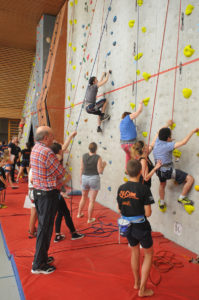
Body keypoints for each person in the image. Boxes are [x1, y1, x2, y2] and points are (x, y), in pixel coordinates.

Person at [30, 126, 66, 275]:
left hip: (39, 193)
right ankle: (38, 264)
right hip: (46, 195)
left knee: (44, 228)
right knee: (45, 229)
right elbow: (60, 173)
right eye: (51, 137)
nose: (54, 139)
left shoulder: (35, 148)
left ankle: (42, 257)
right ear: (45, 138)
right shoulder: (46, 152)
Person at [117, 159, 154, 297]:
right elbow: (148, 213)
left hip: (126, 227)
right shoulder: (144, 189)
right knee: (149, 254)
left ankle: (137, 282)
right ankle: (142, 290)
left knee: (134, 251)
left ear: (127, 172)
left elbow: (119, 209)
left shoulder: (121, 188)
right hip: (141, 227)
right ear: (140, 172)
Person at [153, 123, 199, 212]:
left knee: (162, 184)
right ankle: (182, 197)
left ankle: (161, 203)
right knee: (190, 179)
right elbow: (183, 142)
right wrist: (193, 131)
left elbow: (160, 131)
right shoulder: (168, 145)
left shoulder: (157, 142)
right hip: (167, 172)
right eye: (170, 136)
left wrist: (167, 124)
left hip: (158, 170)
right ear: (167, 138)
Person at [50, 134, 84, 242]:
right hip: (55, 192)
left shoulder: (51, 157)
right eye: (61, 150)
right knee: (66, 213)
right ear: (58, 152)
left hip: (53, 193)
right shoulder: (55, 160)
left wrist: (70, 137)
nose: (63, 151)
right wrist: (66, 179)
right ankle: (73, 233)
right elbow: (57, 184)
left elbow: (63, 148)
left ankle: (57, 235)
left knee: (60, 213)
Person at [77, 142, 106, 223]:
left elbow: (81, 168)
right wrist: (104, 165)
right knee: (92, 200)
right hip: (94, 179)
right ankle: (89, 219)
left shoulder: (84, 156)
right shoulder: (98, 157)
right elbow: (100, 171)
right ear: (96, 149)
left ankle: (79, 213)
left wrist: (80, 178)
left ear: (89, 148)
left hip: (84, 178)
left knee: (83, 197)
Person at [120, 100, 144, 169]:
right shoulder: (128, 118)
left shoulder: (122, 123)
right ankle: (139, 171)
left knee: (128, 155)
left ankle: (127, 170)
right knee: (137, 157)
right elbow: (138, 112)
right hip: (130, 144)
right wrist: (140, 103)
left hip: (123, 145)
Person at [28, 167, 37, 238]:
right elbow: (32, 180)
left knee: (34, 213)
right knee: (34, 213)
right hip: (34, 192)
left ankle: (32, 229)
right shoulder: (34, 168)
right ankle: (31, 231)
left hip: (31, 191)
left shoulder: (32, 168)